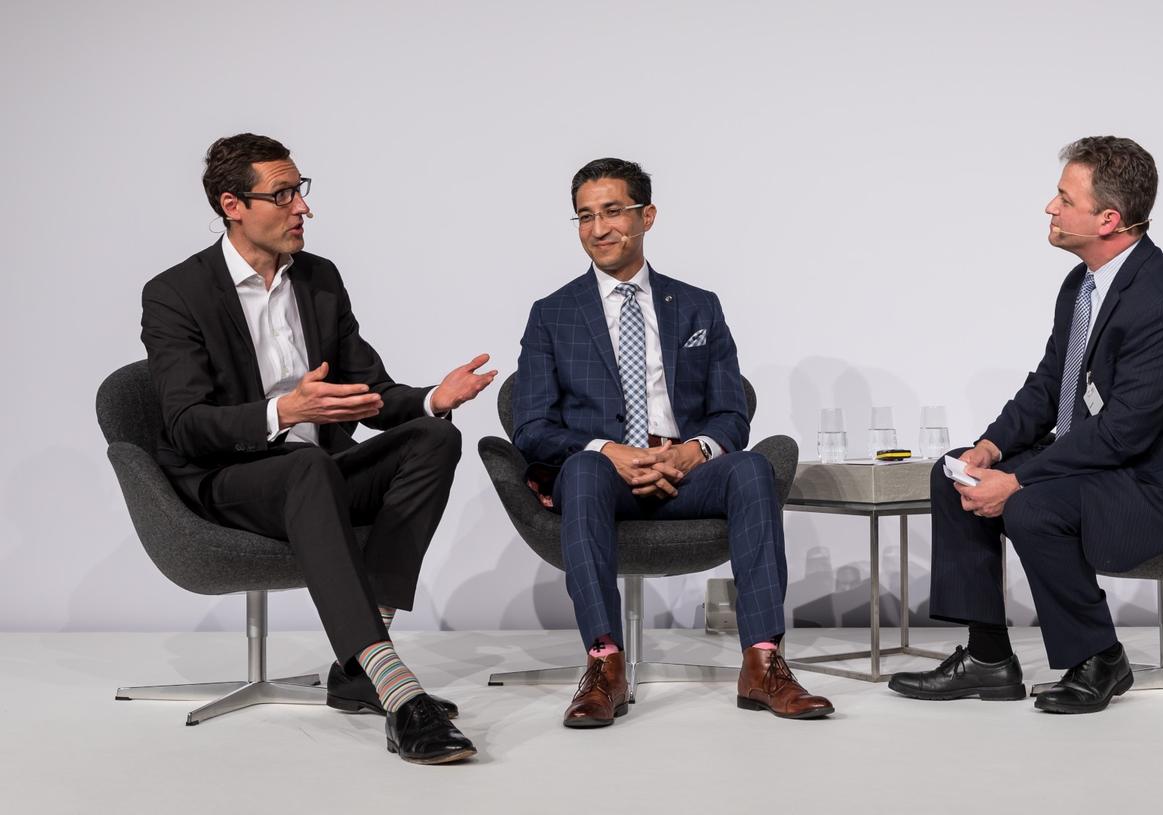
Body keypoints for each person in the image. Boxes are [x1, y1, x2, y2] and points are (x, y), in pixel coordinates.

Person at [141, 133, 497, 762]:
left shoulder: (319, 279)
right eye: (282, 194)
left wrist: (434, 399)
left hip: (317, 474)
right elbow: (185, 424)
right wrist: (285, 410)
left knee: (434, 439)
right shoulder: (176, 294)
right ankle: (397, 690)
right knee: (305, 461)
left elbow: (371, 391)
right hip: (231, 479)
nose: (301, 207)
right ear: (233, 205)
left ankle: (361, 665)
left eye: (300, 190)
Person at [888, 136, 1163, 714]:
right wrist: (992, 449)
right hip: (1108, 457)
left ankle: (1099, 658)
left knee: (1031, 506)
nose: (1050, 207)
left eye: (1064, 198)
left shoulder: (1162, 300)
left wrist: (1020, 483)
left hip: (1157, 482)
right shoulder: (1084, 283)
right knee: (958, 476)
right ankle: (989, 658)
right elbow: (1051, 382)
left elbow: (1126, 432)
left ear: (1108, 219)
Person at [511, 157, 833, 728]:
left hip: (687, 473)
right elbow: (531, 427)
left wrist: (692, 452)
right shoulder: (551, 315)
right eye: (585, 216)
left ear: (647, 216)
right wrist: (612, 452)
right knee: (582, 472)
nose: (598, 228)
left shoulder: (697, 305)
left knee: (752, 469)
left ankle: (763, 663)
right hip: (604, 478)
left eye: (613, 211)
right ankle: (604, 667)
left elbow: (732, 412)